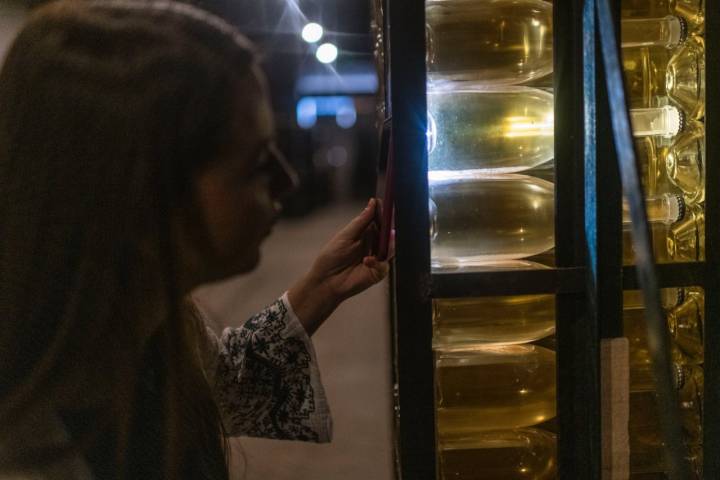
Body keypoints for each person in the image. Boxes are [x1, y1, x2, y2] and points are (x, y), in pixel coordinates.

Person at [0, 1, 390, 478]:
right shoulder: (20, 445)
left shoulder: (140, 318)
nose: (287, 181)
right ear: (144, 190)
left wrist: (320, 287)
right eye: (254, 164)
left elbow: (219, 382)